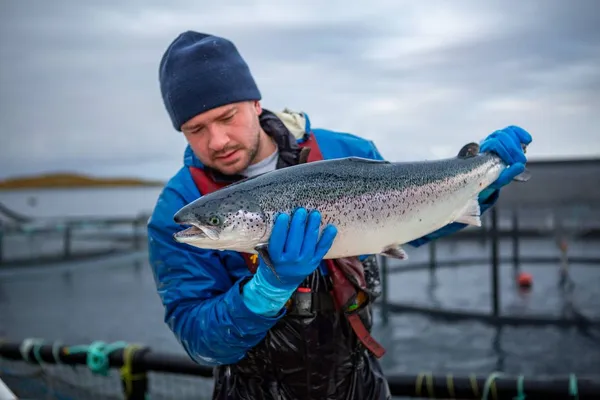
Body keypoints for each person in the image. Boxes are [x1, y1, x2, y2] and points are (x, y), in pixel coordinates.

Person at [147, 30, 533, 400]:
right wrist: (265, 291)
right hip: (249, 390)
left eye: (227, 117)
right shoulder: (179, 208)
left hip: (358, 382)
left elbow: (409, 222)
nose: (218, 140)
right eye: (196, 129)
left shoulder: (341, 150)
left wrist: (481, 185)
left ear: (255, 103)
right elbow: (198, 338)